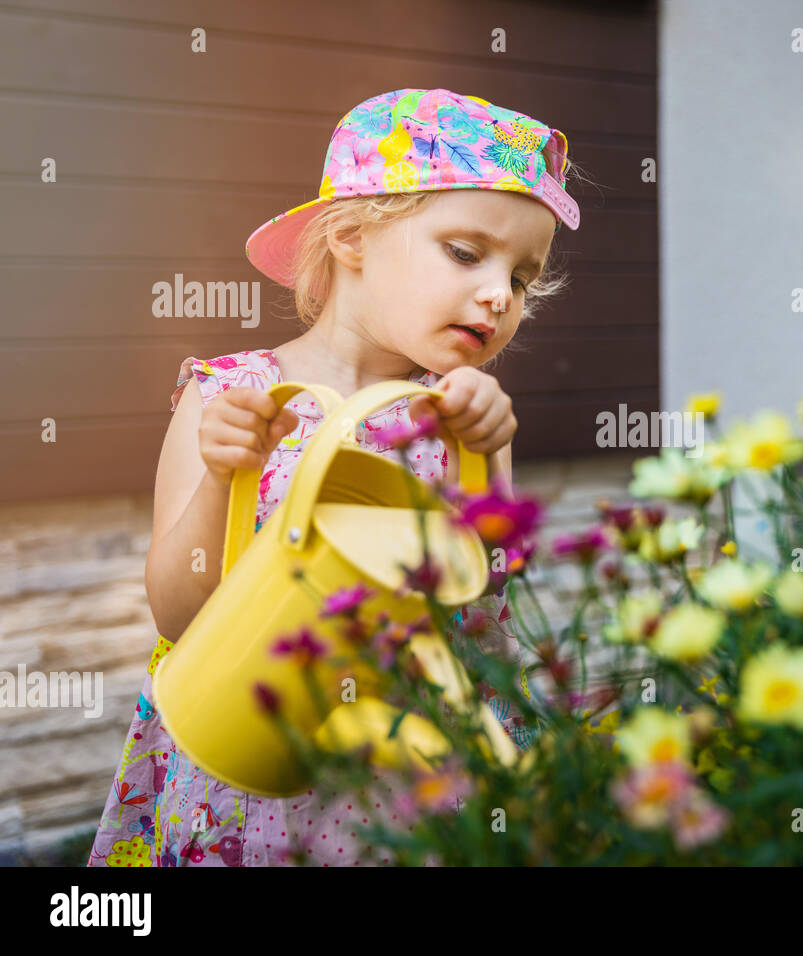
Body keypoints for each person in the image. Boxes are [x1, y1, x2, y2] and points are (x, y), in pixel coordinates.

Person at [86, 88, 581, 866]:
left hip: (412, 781)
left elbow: (483, 607)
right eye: (466, 252)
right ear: (351, 236)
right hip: (252, 765)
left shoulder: (457, 416)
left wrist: (482, 461)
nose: (498, 294)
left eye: (521, 278)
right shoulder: (230, 398)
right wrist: (224, 476)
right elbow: (180, 617)